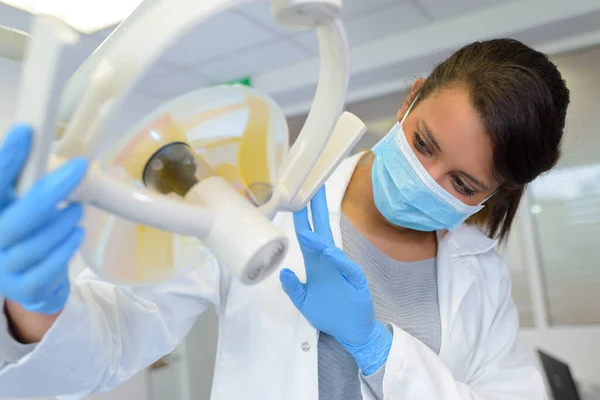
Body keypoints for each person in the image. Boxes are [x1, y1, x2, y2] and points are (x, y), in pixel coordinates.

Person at [0, 38, 569, 399]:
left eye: (463, 183)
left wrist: (376, 347)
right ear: (411, 98)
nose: (427, 176)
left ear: (496, 191)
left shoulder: (482, 275)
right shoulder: (261, 200)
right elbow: (118, 338)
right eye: (423, 143)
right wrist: (38, 310)